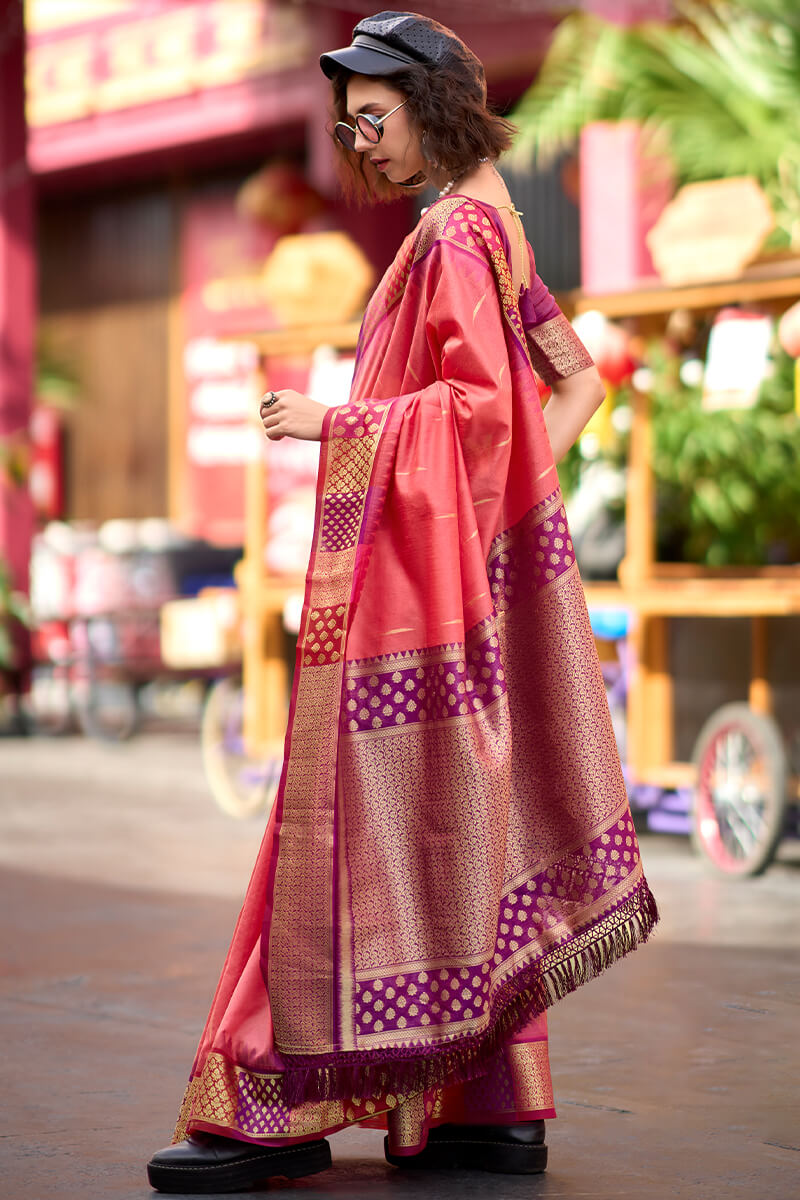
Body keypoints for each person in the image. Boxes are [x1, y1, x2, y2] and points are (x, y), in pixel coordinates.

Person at [147, 12, 658, 1193]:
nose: (356, 148)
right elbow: (567, 392)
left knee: (334, 834)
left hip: (404, 597)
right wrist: (495, 522)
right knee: (444, 834)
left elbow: (485, 414)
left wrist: (344, 426)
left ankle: (264, 1102)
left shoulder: (457, 232)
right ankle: (490, 1109)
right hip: (438, 579)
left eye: (369, 121)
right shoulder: (493, 228)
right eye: (344, 127)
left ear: (429, 107)